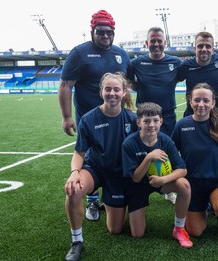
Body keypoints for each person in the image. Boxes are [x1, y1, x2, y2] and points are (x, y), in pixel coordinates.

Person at [59, 10, 131, 221]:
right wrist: (66, 116)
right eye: (100, 31)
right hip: (89, 119)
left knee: (116, 155)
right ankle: (92, 202)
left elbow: (127, 85)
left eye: (109, 32)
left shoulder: (121, 54)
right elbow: (65, 85)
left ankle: (116, 194)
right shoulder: (79, 53)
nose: (105, 36)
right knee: (90, 159)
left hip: (116, 117)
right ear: (92, 31)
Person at [64, 72, 138, 261]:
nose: (112, 93)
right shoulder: (89, 119)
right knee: (74, 190)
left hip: (119, 175)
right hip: (95, 169)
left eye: (116, 89)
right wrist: (74, 173)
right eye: (108, 89)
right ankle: (77, 241)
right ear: (101, 92)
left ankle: (109, 201)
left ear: (123, 93)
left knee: (115, 229)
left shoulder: (132, 119)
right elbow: (79, 153)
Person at [171, 83, 218, 239]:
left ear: (213, 102)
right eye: (197, 100)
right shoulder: (182, 125)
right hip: (192, 186)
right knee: (195, 232)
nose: (201, 104)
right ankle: (205, 207)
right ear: (190, 102)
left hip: (217, 183)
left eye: (205, 100)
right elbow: (172, 152)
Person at [122, 102, 193, 248]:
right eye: (146, 121)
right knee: (137, 234)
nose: (151, 125)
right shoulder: (129, 143)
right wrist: (149, 157)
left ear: (161, 121)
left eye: (155, 120)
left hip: (161, 181)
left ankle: (179, 228)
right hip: (138, 185)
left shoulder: (165, 140)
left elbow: (182, 170)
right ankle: (129, 209)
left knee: (184, 185)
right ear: (138, 122)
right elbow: (135, 178)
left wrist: (163, 179)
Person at [128, 27, 182, 136]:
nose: (156, 44)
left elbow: (183, 77)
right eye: (152, 41)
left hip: (167, 117)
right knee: (145, 149)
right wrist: (140, 88)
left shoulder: (176, 63)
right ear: (147, 43)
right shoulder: (136, 63)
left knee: (167, 150)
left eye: (159, 41)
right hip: (144, 116)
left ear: (165, 43)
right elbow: (129, 81)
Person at [177, 31, 218, 117]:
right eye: (200, 46)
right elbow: (176, 79)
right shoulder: (186, 65)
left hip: (213, 117)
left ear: (213, 50)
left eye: (208, 46)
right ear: (195, 49)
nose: (204, 49)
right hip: (191, 117)